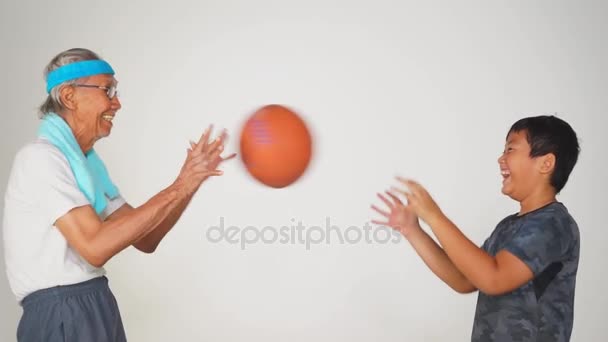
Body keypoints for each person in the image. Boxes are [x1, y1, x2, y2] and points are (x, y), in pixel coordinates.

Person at [2, 48, 236, 342]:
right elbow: (95, 246)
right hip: (61, 310)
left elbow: (147, 238)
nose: (117, 102)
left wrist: (191, 182)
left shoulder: (87, 166)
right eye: (107, 89)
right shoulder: (40, 159)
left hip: (95, 303)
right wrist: (179, 184)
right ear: (69, 96)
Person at [372, 115, 580, 341]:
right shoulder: (509, 226)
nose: (501, 158)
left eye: (510, 149)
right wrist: (412, 229)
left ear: (546, 163)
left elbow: (493, 279)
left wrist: (434, 215)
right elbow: (465, 279)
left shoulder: (553, 224)